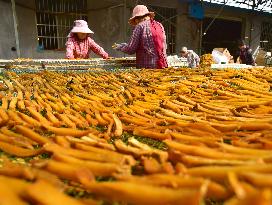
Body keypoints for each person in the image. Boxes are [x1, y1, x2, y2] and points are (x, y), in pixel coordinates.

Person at [113, 5, 168, 69]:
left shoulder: (140, 26)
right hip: (163, 65)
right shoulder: (159, 25)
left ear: (137, 19)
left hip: (147, 68)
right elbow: (164, 46)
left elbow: (131, 50)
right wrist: (125, 45)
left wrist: (120, 47)